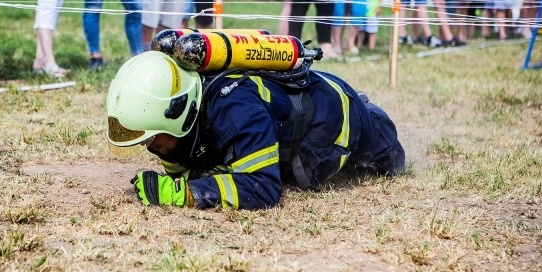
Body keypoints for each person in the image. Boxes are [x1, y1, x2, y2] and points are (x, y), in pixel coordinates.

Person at [106, 50, 405, 210]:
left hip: (340, 115)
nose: (150, 147)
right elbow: (186, 167)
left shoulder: (235, 111)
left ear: (178, 113)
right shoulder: (183, 119)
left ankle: (371, 110)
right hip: (290, 105)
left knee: (391, 162)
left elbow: (263, 188)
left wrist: (183, 194)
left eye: (152, 138)